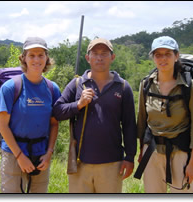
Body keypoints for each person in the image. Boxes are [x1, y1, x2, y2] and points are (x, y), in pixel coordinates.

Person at [53, 38, 137, 193]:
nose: (99, 57)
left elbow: (129, 125)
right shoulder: (77, 84)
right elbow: (57, 111)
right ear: (88, 58)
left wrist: (130, 157)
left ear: (112, 57)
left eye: (104, 53)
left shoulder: (123, 87)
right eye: (95, 53)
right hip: (80, 163)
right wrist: (78, 104)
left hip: (112, 164)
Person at [137, 36, 193, 193]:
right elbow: (141, 120)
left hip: (180, 151)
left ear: (176, 56)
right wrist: (141, 150)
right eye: (158, 54)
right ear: (153, 58)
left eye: (168, 53)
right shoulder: (146, 84)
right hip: (152, 151)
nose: (163, 58)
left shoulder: (188, 86)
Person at [0, 37, 61, 193]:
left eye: (41, 55)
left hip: (41, 155)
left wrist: (49, 153)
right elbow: (2, 125)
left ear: (47, 58)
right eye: (32, 55)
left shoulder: (52, 89)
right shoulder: (11, 88)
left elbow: (54, 124)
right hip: (14, 155)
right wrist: (20, 156)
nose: (36, 59)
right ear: (24, 58)